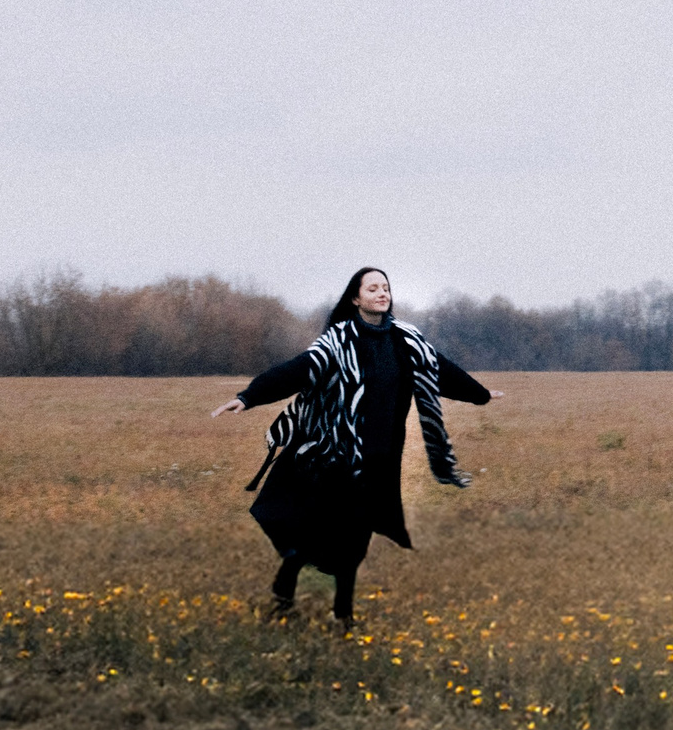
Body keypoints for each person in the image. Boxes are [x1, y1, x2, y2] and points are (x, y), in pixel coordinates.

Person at [210, 267, 492, 623]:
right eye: (372, 288)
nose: (381, 293)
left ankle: (343, 615)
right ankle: (285, 588)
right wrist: (249, 397)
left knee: (356, 540)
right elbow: (298, 369)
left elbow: (440, 372)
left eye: (386, 287)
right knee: (316, 532)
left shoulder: (407, 340)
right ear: (356, 298)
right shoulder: (337, 342)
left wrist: (480, 395)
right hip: (336, 455)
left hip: (381, 459)